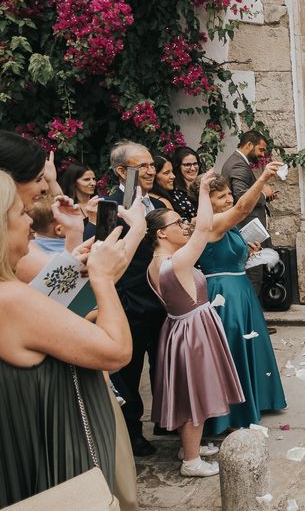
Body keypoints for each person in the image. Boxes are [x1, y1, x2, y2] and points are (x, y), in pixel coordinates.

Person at [0, 170, 144, 506]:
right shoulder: (11, 300)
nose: (31, 226)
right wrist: (102, 277)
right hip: (60, 442)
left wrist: (71, 266)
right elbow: (117, 351)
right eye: (20, 214)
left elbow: (48, 313)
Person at [145, 171, 243, 477]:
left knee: (189, 391)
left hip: (178, 328)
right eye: (175, 223)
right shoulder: (177, 262)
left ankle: (190, 447)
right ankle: (191, 461)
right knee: (195, 392)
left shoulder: (156, 262)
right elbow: (203, 227)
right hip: (193, 332)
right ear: (161, 233)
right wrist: (202, 189)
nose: (183, 225)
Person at [84, 140, 168, 456]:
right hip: (130, 304)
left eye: (151, 164)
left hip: (159, 302)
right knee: (128, 374)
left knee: (163, 366)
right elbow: (103, 255)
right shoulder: (110, 206)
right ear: (122, 171)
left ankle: (166, 420)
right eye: (141, 166)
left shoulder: (154, 204)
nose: (150, 170)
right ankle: (132, 432)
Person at [201, 162, 288, 435]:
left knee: (248, 344)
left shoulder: (225, 224)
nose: (228, 199)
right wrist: (263, 177)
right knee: (232, 348)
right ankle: (232, 410)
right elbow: (242, 209)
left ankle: (256, 399)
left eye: (228, 194)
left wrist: (244, 250)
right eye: (221, 196)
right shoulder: (210, 222)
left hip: (239, 290)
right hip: (223, 294)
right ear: (207, 202)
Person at [0, 132, 84, 281]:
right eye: (39, 179)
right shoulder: (10, 238)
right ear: (7, 180)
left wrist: (74, 231)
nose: (45, 187)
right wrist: (136, 230)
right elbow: (63, 285)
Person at [221, 131, 277, 298]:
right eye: (260, 149)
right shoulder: (238, 165)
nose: (262, 154)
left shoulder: (236, 162)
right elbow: (241, 197)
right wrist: (264, 195)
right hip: (247, 230)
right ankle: (252, 317)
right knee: (253, 276)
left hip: (248, 228)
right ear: (248, 145)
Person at [152, 156, 196, 221]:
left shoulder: (176, 192)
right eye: (166, 173)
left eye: (172, 171)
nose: (173, 176)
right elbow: (177, 224)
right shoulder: (159, 201)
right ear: (154, 176)